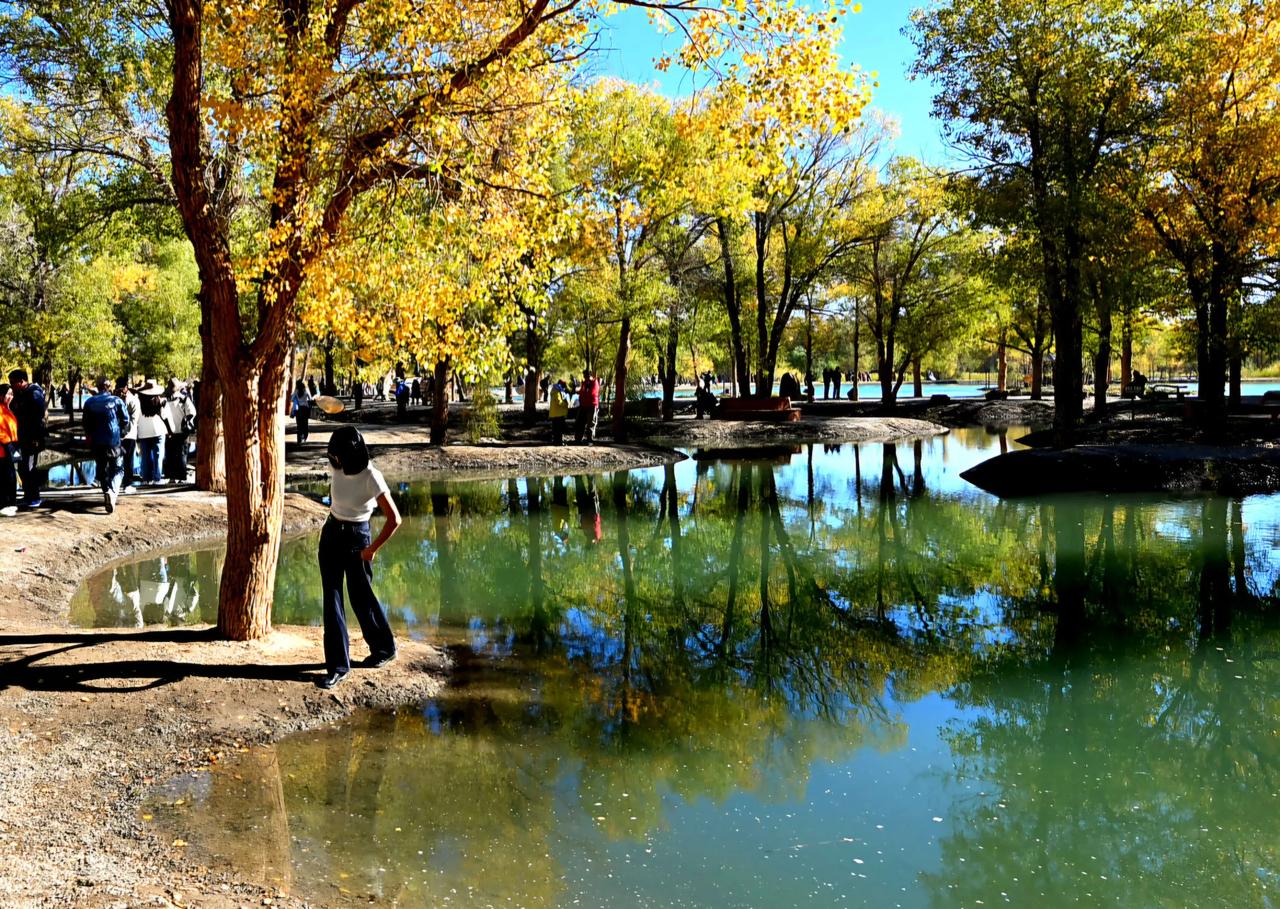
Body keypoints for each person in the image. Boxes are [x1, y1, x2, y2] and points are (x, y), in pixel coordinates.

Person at [319, 426, 402, 689]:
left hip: (358, 538)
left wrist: (372, 549)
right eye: (334, 456)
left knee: (361, 597)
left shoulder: (371, 476)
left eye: (339, 455)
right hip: (331, 534)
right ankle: (338, 667)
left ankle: (384, 648)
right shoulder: (337, 465)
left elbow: (394, 519)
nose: (335, 460)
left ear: (351, 455)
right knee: (332, 601)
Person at [82, 376, 131, 513]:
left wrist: (90, 436)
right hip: (113, 441)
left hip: (97, 442)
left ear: (97, 387)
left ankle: (107, 490)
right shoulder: (117, 401)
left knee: (102, 469)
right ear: (109, 387)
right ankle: (112, 493)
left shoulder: (89, 402)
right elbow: (126, 420)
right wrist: (121, 433)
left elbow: (86, 423)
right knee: (118, 469)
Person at [8, 369, 48, 509]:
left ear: (21, 381)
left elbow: (38, 417)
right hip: (22, 438)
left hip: (32, 438)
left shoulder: (34, 393)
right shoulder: (20, 394)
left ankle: (34, 497)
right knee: (23, 467)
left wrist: (36, 437)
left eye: (13, 382)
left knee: (29, 467)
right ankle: (28, 495)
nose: (11, 385)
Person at [162, 379, 196, 484]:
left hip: (169, 431)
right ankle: (181, 477)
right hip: (182, 431)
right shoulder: (184, 399)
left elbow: (163, 415)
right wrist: (186, 420)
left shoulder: (166, 400)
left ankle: (172, 477)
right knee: (182, 454)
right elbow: (192, 412)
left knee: (171, 455)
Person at [136, 380, 167, 485]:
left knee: (145, 456)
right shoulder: (160, 401)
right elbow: (165, 416)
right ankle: (157, 478)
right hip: (158, 430)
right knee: (158, 455)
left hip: (143, 431)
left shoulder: (138, 401)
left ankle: (146, 478)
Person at [115, 379, 141, 491]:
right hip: (118, 435)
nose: (120, 391)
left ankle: (128, 484)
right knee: (116, 460)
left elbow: (134, 420)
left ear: (126, 387)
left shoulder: (133, 400)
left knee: (128, 460)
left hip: (129, 435)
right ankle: (116, 483)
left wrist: (124, 433)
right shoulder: (116, 399)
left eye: (121, 388)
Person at [0, 384, 18, 517]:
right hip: (2, 449)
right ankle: (4, 505)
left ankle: (10, 503)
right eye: (8, 394)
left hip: (11, 448)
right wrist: (7, 442)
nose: (11, 396)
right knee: (6, 478)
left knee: (11, 477)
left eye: (12, 393)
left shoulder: (8, 409)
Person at [575, 370, 599, 444]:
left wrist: (583, 393)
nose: (585, 377)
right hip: (583, 405)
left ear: (590, 375)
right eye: (584, 375)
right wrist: (578, 392)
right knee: (580, 422)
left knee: (591, 422)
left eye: (586, 375)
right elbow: (582, 392)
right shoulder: (584, 383)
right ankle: (578, 439)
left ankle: (590, 439)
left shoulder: (594, 382)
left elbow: (592, 393)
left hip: (592, 405)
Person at [291, 379, 314, 445]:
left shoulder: (296, 391)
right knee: (305, 424)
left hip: (298, 409)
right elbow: (310, 398)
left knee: (299, 425)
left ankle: (299, 439)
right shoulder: (306, 390)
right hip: (305, 409)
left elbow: (292, 399)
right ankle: (304, 437)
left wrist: (296, 399)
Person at [549, 378, 569, 444]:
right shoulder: (557, 391)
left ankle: (556, 441)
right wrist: (566, 403)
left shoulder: (555, 390)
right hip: (558, 413)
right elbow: (559, 402)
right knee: (559, 429)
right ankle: (558, 442)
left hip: (555, 413)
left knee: (556, 429)